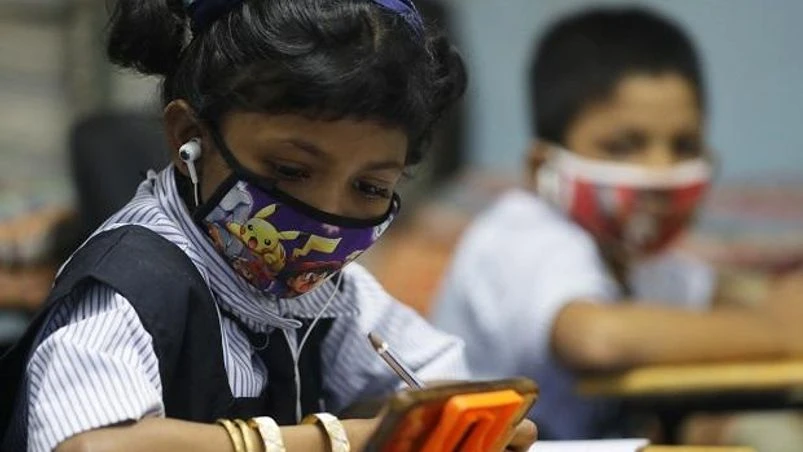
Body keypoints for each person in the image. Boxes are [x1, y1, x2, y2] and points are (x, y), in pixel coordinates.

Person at [0, 1, 538, 451]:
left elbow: (447, 382)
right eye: (290, 170)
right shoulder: (129, 288)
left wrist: (466, 427)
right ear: (189, 134)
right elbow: (93, 446)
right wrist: (335, 440)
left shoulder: (327, 293)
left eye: (370, 187)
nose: (325, 216)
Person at [431, 7, 803, 443]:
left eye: (684, 145)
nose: (662, 172)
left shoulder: (639, 259)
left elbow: (726, 293)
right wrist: (778, 331)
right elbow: (596, 338)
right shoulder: (524, 234)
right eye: (624, 146)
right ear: (541, 168)